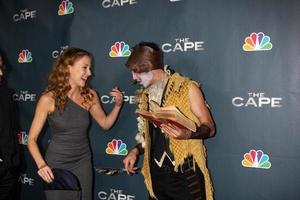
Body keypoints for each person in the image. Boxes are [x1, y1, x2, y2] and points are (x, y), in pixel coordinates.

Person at [123, 42, 215, 200]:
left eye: (137, 71)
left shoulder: (187, 88)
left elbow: (210, 127)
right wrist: (135, 151)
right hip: (156, 176)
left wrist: (188, 134)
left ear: (151, 67)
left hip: (186, 174)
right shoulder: (145, 96)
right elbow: (152, 137)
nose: (133, 77)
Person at [27, 47, 123, 200]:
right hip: (56, 164)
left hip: (82, 162)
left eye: (90, 68)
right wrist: (41, 164)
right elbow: (31, 139)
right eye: (84, 68)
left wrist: (118, 105)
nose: (89, 73)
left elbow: (105, 123)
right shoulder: (48, 99)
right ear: (67, 68)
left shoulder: (90, 95)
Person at [0, 50, 21, 200]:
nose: (1, 73)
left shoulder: (7, 95)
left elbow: (10, 131)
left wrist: (12, 162)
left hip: (7, 169)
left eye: (1, 67)